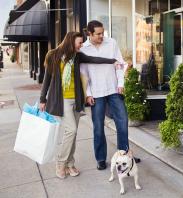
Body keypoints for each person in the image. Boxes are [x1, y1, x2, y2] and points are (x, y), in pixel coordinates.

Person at [39, 31, 120, 179]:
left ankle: (70, 164)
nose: (81, 45)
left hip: (75, 100)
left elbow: (94, 59)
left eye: (82, 43)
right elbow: (47, 78)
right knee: (71, 130)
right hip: (61, 100)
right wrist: (42, 99)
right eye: (79, 43)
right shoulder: (53, 55)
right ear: (71, 42)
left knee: (73, 134)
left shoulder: (77, 56)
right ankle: (61, 163)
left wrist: (112, 61)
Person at [80, 20, 140, 171]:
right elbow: (83, 74)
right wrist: (88, 94)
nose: (102, 36)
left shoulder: (111, 43)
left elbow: (119, 65)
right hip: (96, 93)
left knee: (122, 122)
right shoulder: (83, 49)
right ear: (90, 34)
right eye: (98, 34)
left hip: (114, 90)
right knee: (98, 127)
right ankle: (101, 159)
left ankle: (124, 155)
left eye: (103, 32)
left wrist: (121, 84)